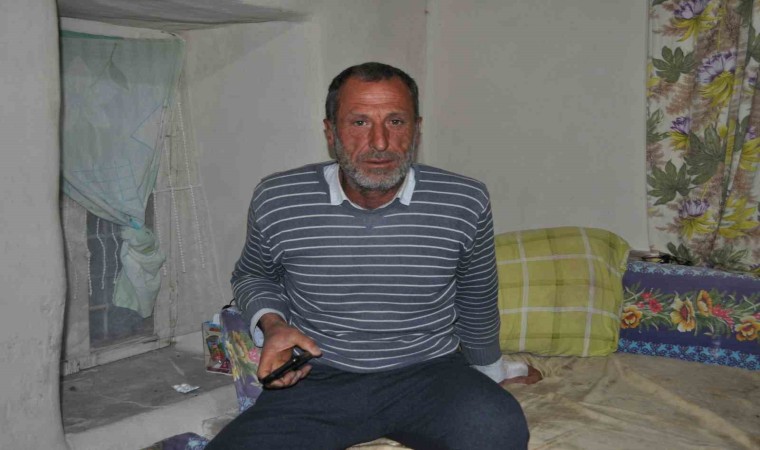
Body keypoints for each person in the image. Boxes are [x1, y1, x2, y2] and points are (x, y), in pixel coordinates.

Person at [206, 62, 534, 450]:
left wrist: (489, 376)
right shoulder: (278, 197)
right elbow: (253, 274)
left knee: (501, 431)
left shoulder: (464, 200)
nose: (380, 142)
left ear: (416, 129)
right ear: (331, 132)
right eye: (359, 122)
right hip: (319, 375)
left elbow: (476, 295)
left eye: (396, 121)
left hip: (430, 375)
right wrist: (274, 325)